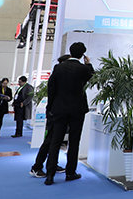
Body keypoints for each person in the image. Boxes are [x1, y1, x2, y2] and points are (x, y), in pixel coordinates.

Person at [44, 42, 94, 185]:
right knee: (74, 140)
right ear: (82, 54)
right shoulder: (83, 69)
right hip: (77, 109)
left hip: (59, 109)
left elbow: (51, 88)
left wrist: (50, 107)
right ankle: (70, 172)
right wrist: (88, 64)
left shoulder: (58, 68)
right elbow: (92, 77)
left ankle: (50, 174)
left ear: (70, 52)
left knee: (56, 141)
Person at [30, 55, 71, 178]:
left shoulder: (60, 77)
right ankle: (36, 167)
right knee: (50, 141)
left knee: (55, 141)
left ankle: (53, 164)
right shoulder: (57, 77)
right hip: (54, 113)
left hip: (57, 113)